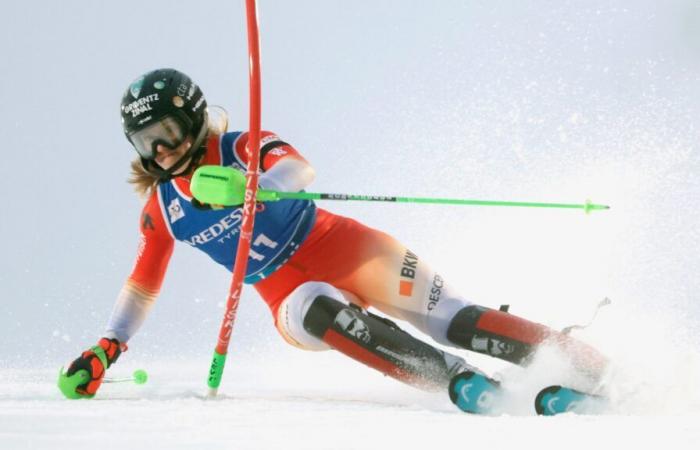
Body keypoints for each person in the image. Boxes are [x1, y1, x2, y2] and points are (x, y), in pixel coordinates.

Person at [60, 68, 607, 402]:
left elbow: (300, 171)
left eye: (168, 134)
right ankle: (461, 385)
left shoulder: (242, 147)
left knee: (454, 318)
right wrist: (109, 346)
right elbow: (142, 284)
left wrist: (254, 186)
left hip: (343, 245)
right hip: (284, 291)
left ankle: (590, 363)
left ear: (194, 118)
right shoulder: (162, 207)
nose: (161, 151)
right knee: (319, 309)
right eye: (145, 142)